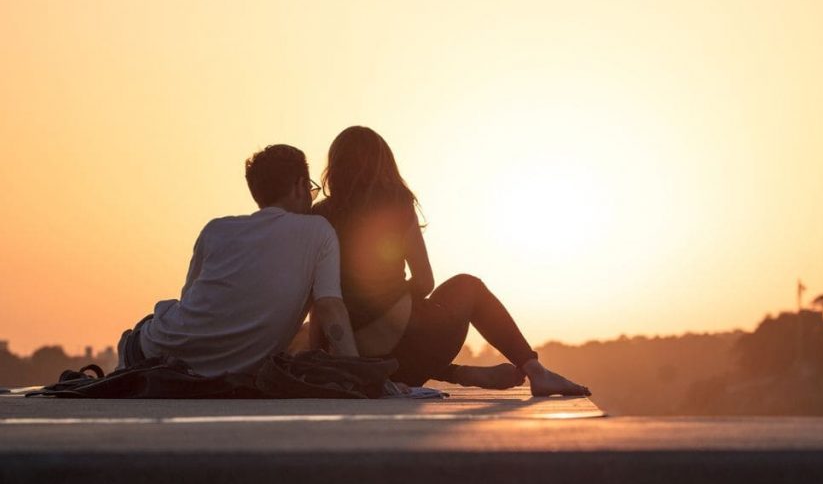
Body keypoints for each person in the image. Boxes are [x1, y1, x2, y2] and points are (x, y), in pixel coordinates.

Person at [311, 126, 590, 396]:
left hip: (356, 356)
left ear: (334, 168)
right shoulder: (397, 204)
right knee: (469, 286)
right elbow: (425, 281)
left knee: (400, 343)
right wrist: (393, 299)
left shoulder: (319, 216)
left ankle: (457, 374)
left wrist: (321, 354)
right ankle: (535, 372)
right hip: (409, 347)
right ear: (384, 166)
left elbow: (318, 299)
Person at [116, 144, 359, 376]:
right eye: (311, 190)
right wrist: (361, 376)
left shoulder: (216, 230)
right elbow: (329, 307)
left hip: (160, 352)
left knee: (152, 324)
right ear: (300, 185)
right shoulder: (319, 231)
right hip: (220, 367)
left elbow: (192, 302)